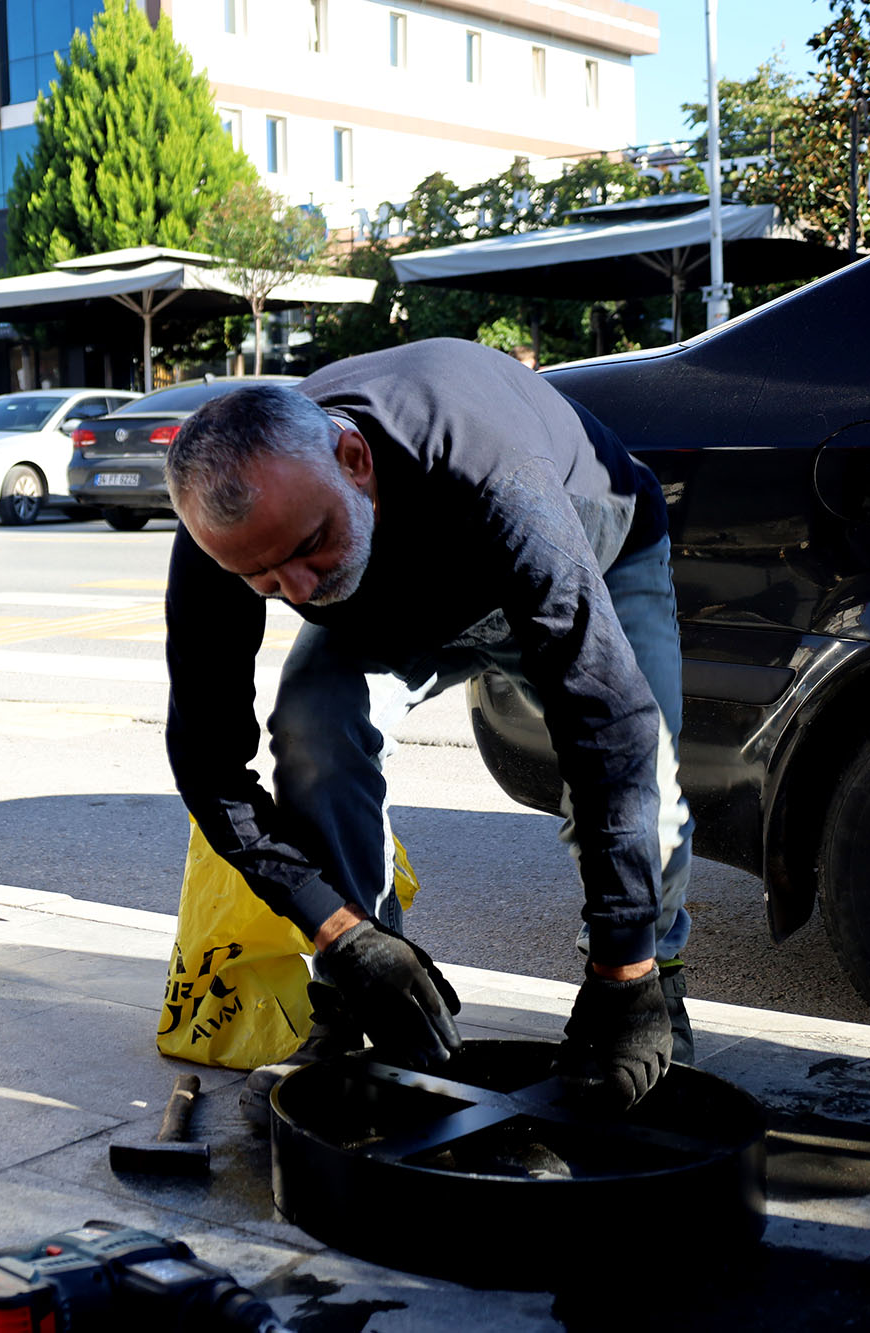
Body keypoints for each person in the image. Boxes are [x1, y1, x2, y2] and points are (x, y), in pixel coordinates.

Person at [163, 338, 692, 1117]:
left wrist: (626, 967)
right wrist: (337, 931)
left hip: (596, 550)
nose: (300, 587)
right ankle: (360, 994)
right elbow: (208, 766)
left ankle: (657, 986)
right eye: (266, 580)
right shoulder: (226, 533)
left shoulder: (484, 467)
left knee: (648, 775)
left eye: (310, 546)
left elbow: (605, 717)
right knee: (313, 722)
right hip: (392, 596)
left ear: (353, 458)